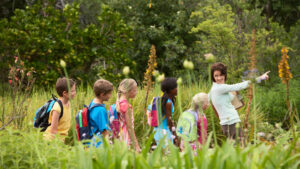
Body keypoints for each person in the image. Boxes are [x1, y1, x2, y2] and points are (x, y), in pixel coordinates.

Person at [209, 62, 269, 141]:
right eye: (216, 76)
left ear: (225, 75)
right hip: (231, 123)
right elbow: (238, 86)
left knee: (236, 149)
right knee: (241, 148)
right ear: (213, 77)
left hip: (228, 123)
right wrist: (260, 78)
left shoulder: (214, 88)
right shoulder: (219, 88)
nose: (219, 78)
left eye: (221, 75)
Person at [44, 77, 76, 142]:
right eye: (72, 91)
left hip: (62, 140)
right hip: (53, 141)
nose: (75, 93)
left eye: (75, 90)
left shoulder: (68, 103)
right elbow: (53, 131)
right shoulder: (57, 108)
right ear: (64, 93)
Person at [154, 77, 179, 147]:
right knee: (167, 156)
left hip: (157, 131)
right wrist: (175, 137)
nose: (178, 89)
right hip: (164, 132)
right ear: (170, 89)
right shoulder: (168, 103)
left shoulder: (161, 100)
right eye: (177, 87)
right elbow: (169, 121)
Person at [116, 78, 141, 152]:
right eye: (135, 90)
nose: (136, 92)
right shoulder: (127, 106)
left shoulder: (118, 103)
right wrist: (136, 146)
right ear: (128, 91)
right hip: (125, 138)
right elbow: (130, 127)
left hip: (118, 137)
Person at [88, 79, 113, 147]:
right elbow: (104, 132)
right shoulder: (100, 110)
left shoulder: (93, 103)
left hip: (91, 141)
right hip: (99, 144)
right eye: (109, 93)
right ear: (102, 94)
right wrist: (108, 149)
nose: (110, 95)